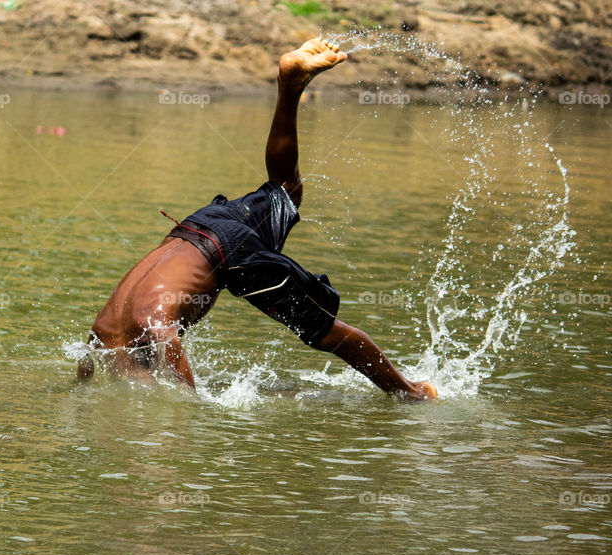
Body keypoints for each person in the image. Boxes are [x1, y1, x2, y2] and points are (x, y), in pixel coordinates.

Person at [77, 38, 437, 402]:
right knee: (286, 188)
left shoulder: (142, 329)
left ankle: (411, 393)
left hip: (230, 255)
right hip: (199, 225)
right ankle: (289, 85)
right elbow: (84, 372)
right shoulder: (102, 332)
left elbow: (187, 400)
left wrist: (190, 413)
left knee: (323, 332)